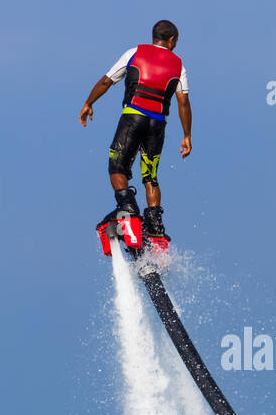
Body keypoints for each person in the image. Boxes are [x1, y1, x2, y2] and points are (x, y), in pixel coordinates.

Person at [80, 19, 192, 251]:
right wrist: (186, 135)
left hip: (132, 119)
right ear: (172, 40)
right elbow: (183, 102)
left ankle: (128, 209)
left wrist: (89, 102)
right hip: (157, 125)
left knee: (117, 168)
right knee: (150, 176)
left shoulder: (135, 53)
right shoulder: (178, 65)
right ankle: (156, 231)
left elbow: (106, 80)